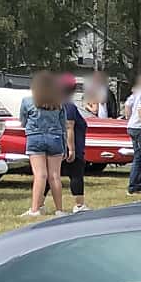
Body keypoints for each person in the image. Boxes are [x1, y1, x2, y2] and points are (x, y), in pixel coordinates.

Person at [18, 70, 67, 217]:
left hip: (35, 137)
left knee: (40, 175)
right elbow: (63, 125)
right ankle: (59, 210)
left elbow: (23, 121)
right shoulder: (58, 102)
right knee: (55, 176)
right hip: (55, 138)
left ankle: (35, 209)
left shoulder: (27, 101)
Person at [59, 73, 90, 213]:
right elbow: (69, 126)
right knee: (76, 175)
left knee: (51, 176)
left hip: (57, 146)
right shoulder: (68, 106)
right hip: (72, 145)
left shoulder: (54, 104)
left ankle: (39, 203)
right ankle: (79, 205)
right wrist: (71, 149)